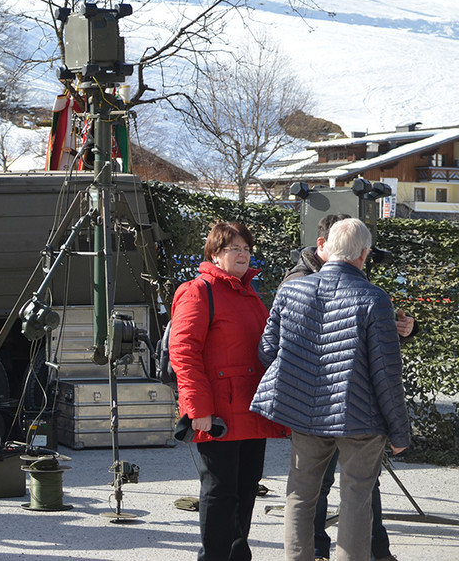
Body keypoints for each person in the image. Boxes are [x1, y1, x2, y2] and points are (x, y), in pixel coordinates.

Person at [251, 218, 410, 561]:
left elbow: (267, 350)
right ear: (364, 254)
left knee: (299, 494)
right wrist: (399, 431)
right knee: (356, 497)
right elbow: (386, 373)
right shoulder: (374, 298)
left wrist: (300, 377)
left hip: (305, 414)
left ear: (325, 247)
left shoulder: (291, 290)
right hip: (359, 417)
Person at [168, 220, 288, 561]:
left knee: (246, 489)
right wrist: (197, 409)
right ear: (215, 253)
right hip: (218, 412)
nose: (243, 255)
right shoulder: (198, 291)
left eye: (246, 249)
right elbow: (183, 352)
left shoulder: (249, 293)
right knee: (220, 492)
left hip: (251, 408)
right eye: (234, 248)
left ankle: (238, 555)